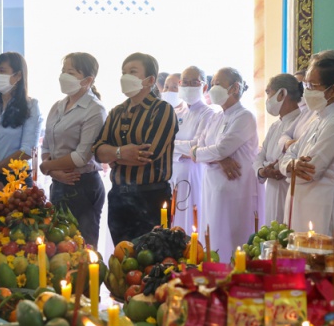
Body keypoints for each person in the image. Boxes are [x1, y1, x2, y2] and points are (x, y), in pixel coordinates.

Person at [93, 53, 178, 244]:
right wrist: (121, 152)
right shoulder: (116, 112)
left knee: (151, 256)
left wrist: (113, 155)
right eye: (123, 72)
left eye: (132, 72)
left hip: (151, 197)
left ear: (150, 80)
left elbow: (147, 155)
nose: (125, 77)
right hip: (118, 196)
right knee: (122, 255)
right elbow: (97, 151)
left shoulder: (162, 109)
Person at [279, 58, 334, 240]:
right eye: (306, 85)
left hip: (326, 213)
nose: (306, 91)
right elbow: (290, 152)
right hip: (306, 208)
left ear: (333, 90)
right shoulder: (318, 118)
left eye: (312, 86)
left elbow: (308, 173)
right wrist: (290, 165)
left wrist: (290, 167)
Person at [191, 68, 262, 263]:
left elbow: (221, 148)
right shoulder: (215, 117)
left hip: (234, 188)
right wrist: (217, 157)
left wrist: (204, 154)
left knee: (232, 239)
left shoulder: (244, 116)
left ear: (235, 88)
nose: (212, 88)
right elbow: (198, 145)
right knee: (211, 236)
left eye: (218, 84)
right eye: (212, 84)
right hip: (211, 186)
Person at [39, 53, 107, 248]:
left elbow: (81, 157)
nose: (64, 76)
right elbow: (46, 145)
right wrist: (53, 172)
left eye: (71, 72)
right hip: (58, 182)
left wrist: (47, 166)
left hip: (82, 184)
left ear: (87, 80)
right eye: (63, 71)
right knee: (58, 246)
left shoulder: (95, 109)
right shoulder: (58, 106)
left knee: (82, 247)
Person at [0, 52, 43, 192]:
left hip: (17, 178)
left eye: (2, 71)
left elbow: (27, 151)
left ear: (18, 76)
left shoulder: (30, 106)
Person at [170, 66, 215, 232]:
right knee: (171, 219)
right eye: (185, 82)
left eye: (194, 82)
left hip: (193, 172)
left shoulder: (208, 113)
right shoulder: (176, 112)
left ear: (204, 87)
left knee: (190, 220)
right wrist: (182, 148)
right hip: (172, 171)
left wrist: (173, 146)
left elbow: (197, 146)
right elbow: (164, 142)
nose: (188, 86)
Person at [254, 74, 303, 224]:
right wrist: (262, 171)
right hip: (271, 191)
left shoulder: (302, 123)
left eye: (269, 93)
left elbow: (291, 157)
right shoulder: (275, 126)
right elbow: (259, 156)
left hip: (290, 191)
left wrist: (277, 168)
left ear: (282, 94)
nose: (267, 99)